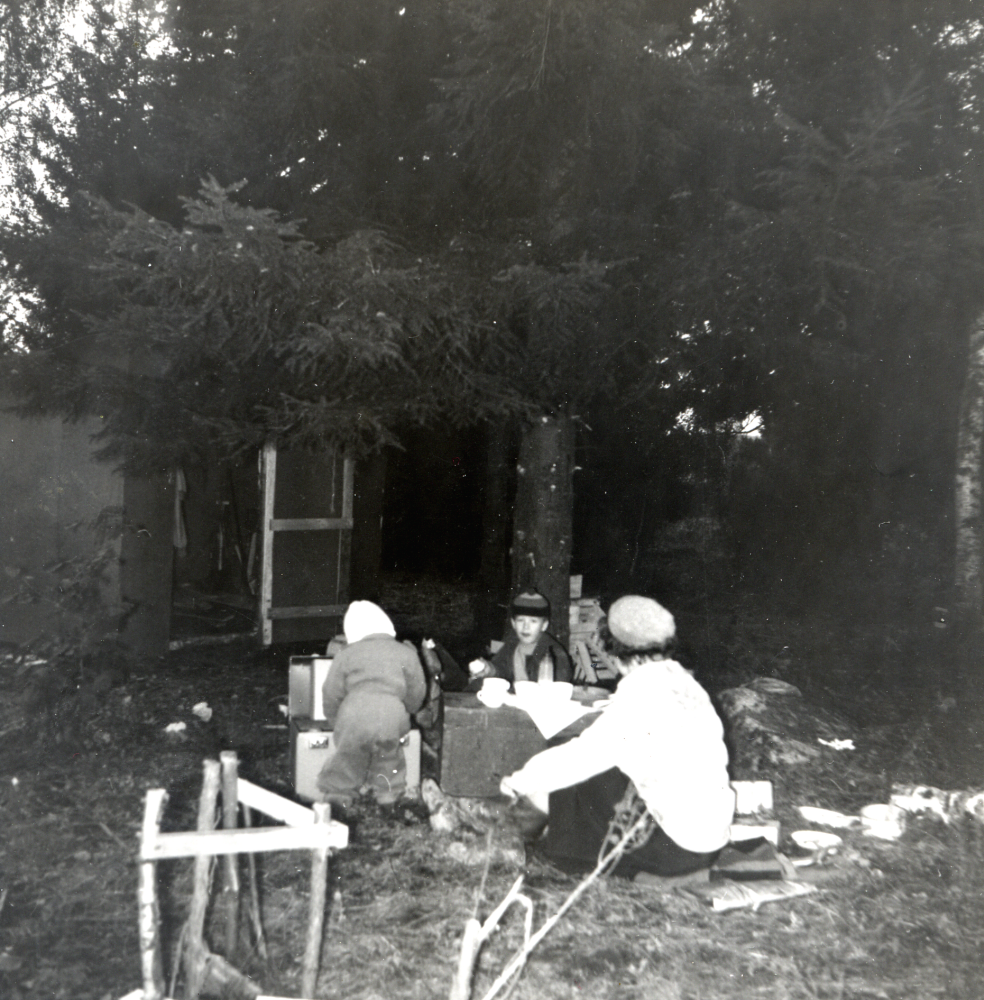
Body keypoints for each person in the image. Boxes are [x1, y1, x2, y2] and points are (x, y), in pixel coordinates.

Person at [500, 595, 734, 878]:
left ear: (615, 650)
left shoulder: (639, 695)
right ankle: (529, 835)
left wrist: (518, 782)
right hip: (711, 837)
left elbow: (579, 758)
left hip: (677, 849)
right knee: (591, 769)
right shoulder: (685, 682)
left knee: (569, 774)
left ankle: (505, 839)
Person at [317, 600, 428, 807]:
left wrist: (334, 719)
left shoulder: (346, 655)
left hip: (354, 714)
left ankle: (338, 796)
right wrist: (408, 711)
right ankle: (388, 797)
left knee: (347, 757)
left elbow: (331, 691)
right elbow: (418, 690)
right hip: (392, 714)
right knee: (389, 757)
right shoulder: (407, 652)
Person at [470, 590, 573, 688]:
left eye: (533, 621)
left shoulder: (555, 653)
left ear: (544, 625)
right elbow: (499, 669)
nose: (525, 627)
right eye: (520, 620)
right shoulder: (511, 647)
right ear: (513, 623)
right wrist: (488, 669)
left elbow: (559, 685)